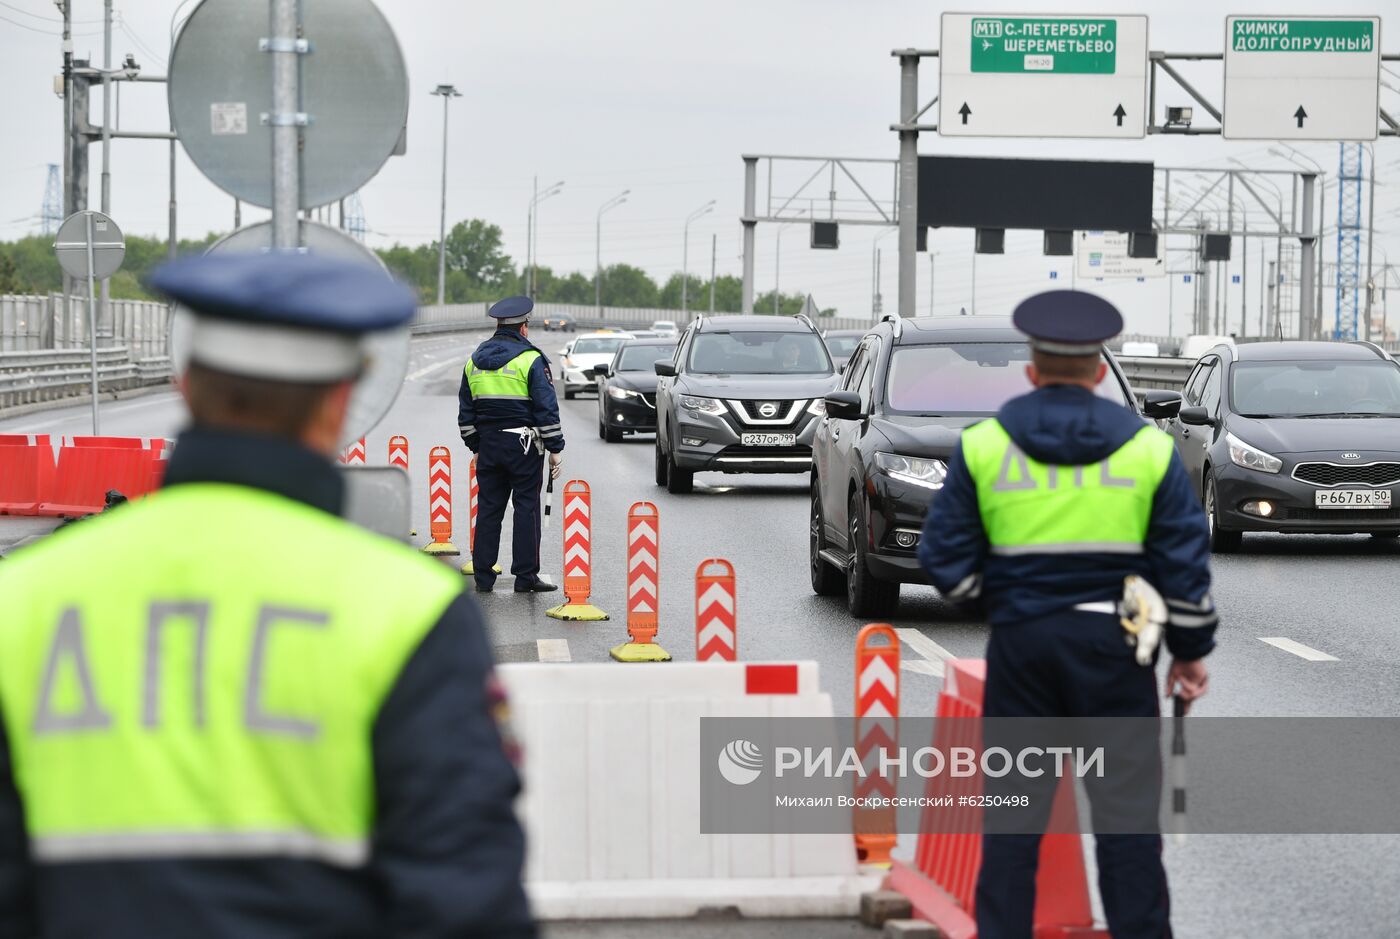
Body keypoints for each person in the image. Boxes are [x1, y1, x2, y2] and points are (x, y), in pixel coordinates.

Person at [0, 254, 535, 938]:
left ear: (186, 386)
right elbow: (466, 904)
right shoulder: (408, 613)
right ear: (340, 401)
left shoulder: (27, 597)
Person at [917, 290, 1216, 939]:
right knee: (1126, 825)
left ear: (1031, 366)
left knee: (1012, 825)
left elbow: (942, 559)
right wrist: (1190, 653)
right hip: (1115, 650)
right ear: (1100, 370)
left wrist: (999, 597)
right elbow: (1185, 569)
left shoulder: (983, 445)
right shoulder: (1149, 449)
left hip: (1023, 649)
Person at [458, 296, 564, 593]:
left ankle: (483, 577)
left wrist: (475, 446)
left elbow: (466, 413)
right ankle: (525, 578)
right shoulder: (531, 359)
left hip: (489, 446)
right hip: (524, 446)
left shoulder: (473, 361)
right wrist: (555, 448)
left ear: (498, 325)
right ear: (524, 328)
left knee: (489, 509)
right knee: (526, 508)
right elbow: (546, 408)